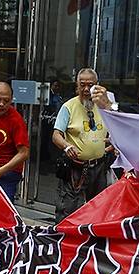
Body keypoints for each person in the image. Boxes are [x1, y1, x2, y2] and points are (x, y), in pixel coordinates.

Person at [51, 68, 113, 223]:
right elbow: (56, 135)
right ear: (76, 86)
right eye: (82, 85)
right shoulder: (68, 107)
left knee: (99, 208)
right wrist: (66, 146)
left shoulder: (104, 105)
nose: (86, 89)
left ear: (97, 86)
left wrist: (114, 142)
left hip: (99, 166)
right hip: (75, 167)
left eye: (90, 85)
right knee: (68, 209)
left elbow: (119, 125)